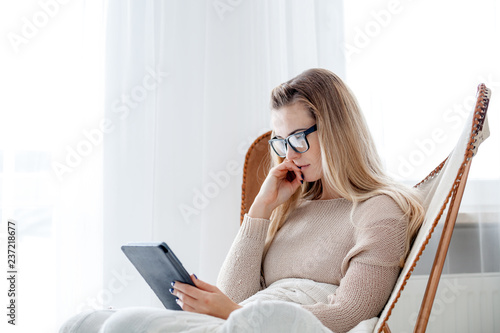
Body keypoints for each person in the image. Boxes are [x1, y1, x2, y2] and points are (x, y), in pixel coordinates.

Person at [60, 68, 425, 333]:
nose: (288, 156)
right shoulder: (293, 207)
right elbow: (236, 295)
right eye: (280, 142)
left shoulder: (379, 209)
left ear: (335, 131)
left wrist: (235, 312)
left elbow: (353, 313)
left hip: (274, 327)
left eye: (298, 138)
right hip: (247, 321)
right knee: (87, 322)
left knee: (125, 324)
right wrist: (262, 209)